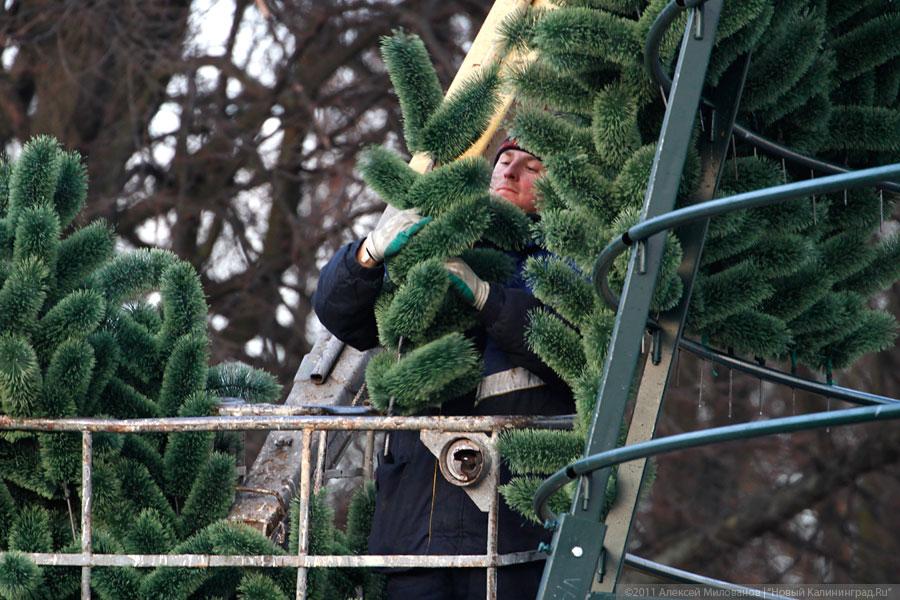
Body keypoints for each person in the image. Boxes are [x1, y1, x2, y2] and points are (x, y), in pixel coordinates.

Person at [313, 138, 574, 600]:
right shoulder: (432, 247)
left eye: (532, 167)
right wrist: (368, 255)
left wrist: (488, 298)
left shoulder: (562, 268)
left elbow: (570, 347)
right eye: (503, 161)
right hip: (414, 534)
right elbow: (341, 316)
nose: (510, 172)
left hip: (516, 538)